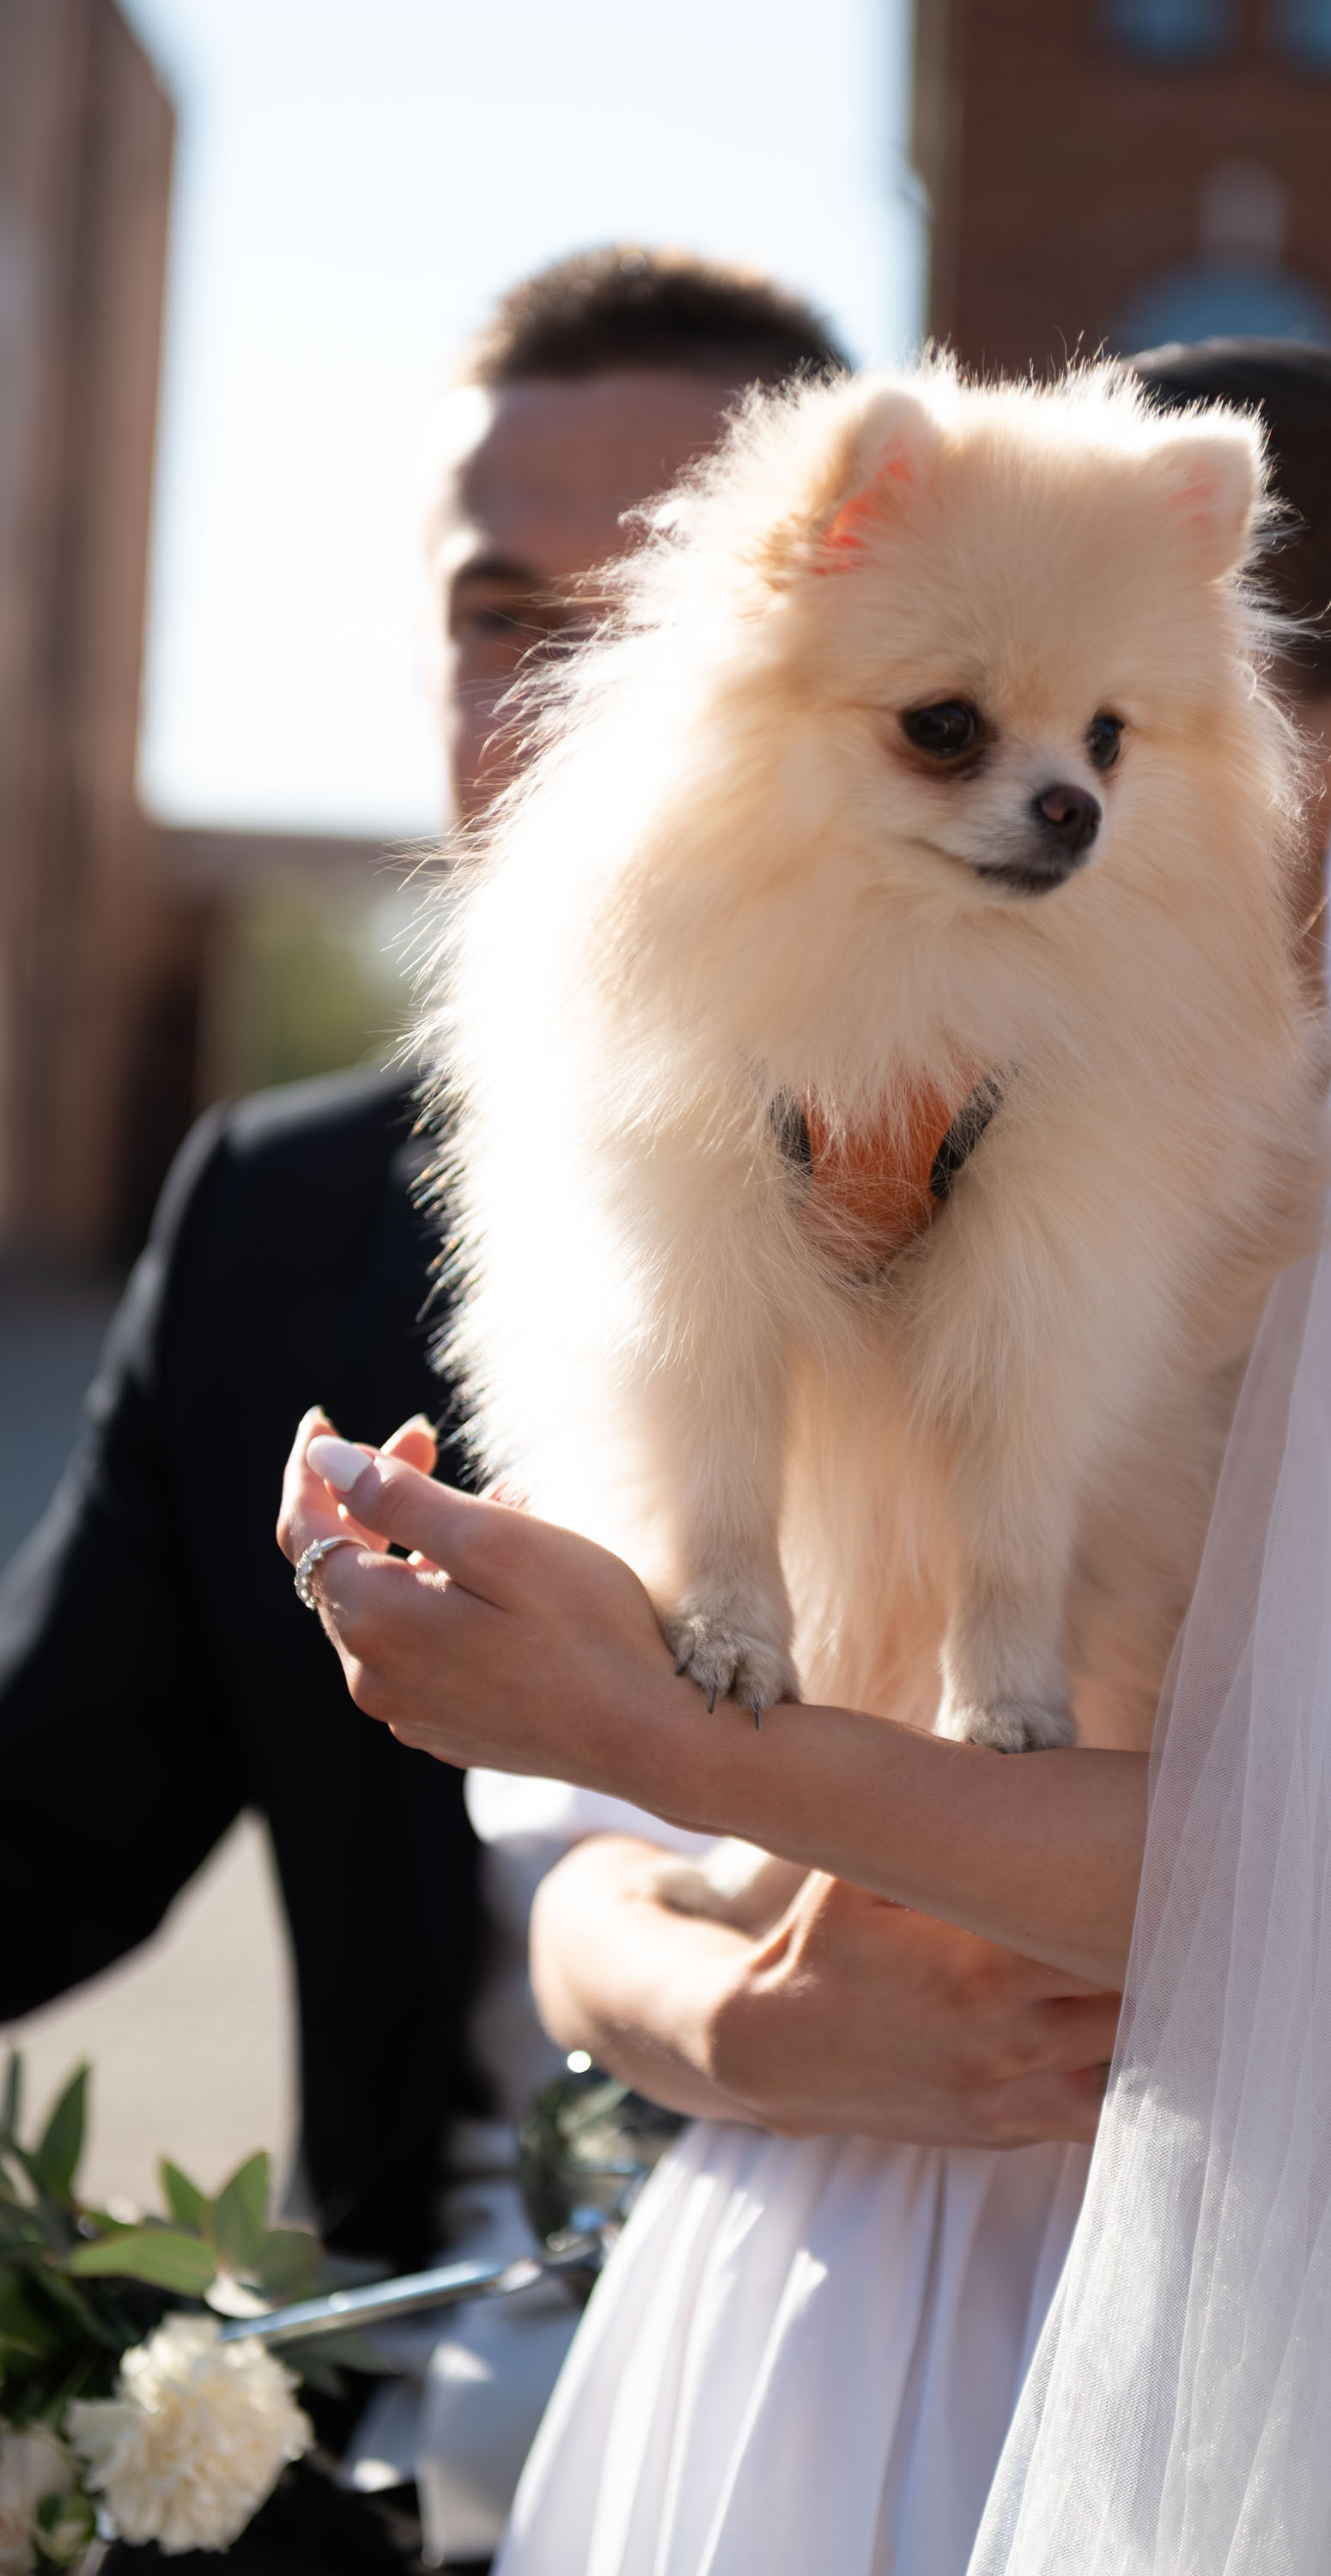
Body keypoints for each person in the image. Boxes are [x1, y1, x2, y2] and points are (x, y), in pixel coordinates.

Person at [279, 353, 1331, 2575]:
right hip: (774, 2283)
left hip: (1224, 2353)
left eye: (1128, 735)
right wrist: (739, 2033)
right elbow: (574, 1880)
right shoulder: (825, 1096)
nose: (1069, 805)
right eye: (967, 726)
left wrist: (704, 1749)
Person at [0, 245, 848, 2567]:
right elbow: (46, 1823)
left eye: (644, 624)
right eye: (496, 618)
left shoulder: (1129, 1222)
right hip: (412, 2446)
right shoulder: (280, 1214)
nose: (545, 705)